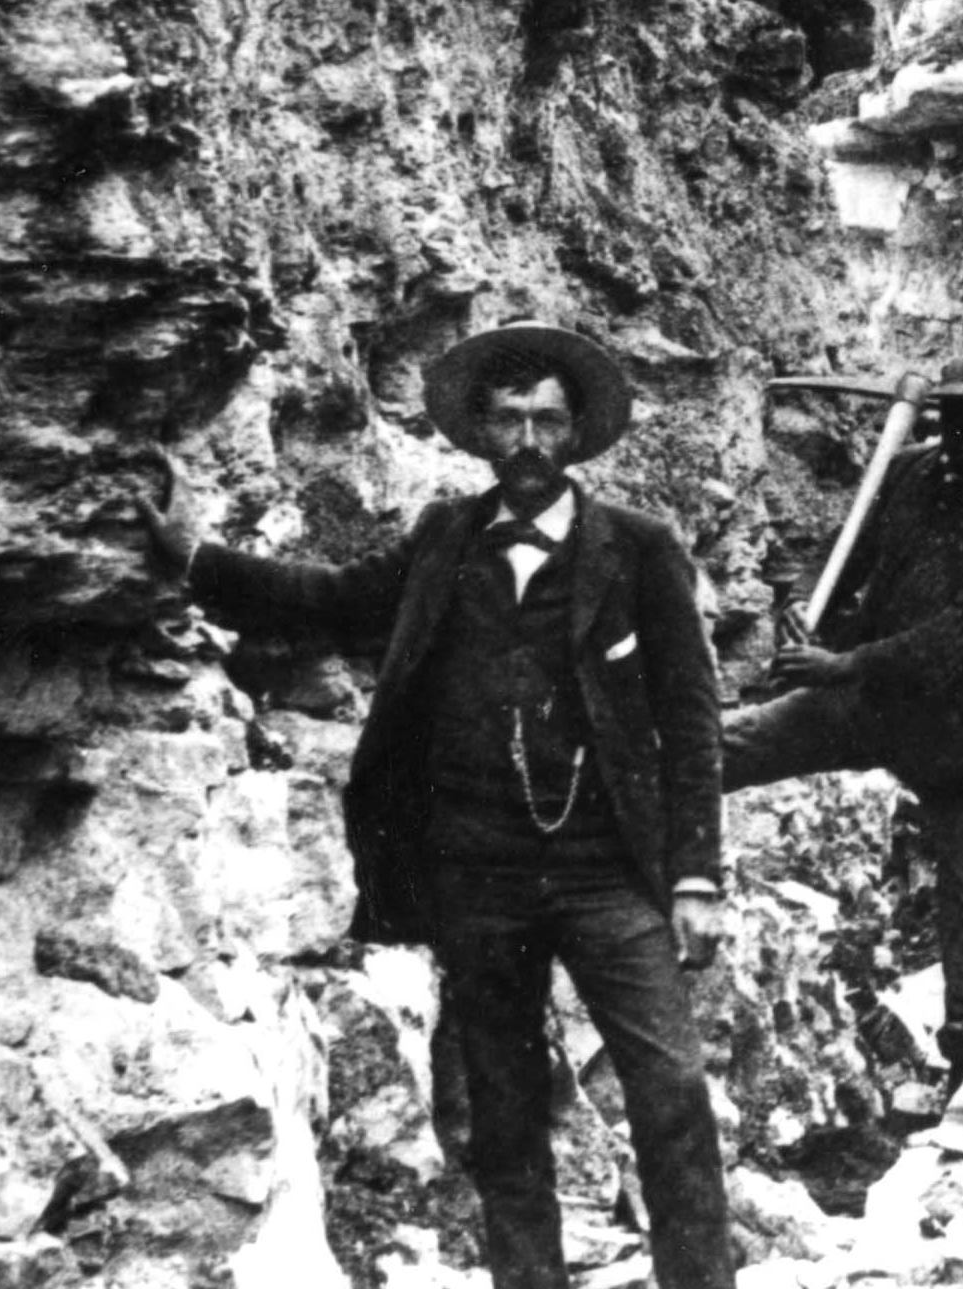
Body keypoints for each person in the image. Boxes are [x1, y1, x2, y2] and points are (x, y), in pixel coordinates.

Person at [143, 323, 733, 1289]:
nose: (530, 440)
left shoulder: (639, 547)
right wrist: (193, 556)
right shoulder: (444, 537)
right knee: (504, 1113)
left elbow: (693, 717)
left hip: (608, 871)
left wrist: (697, 874)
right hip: (477, 874)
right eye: (509, 419)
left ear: (577, 430)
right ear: (481, 431)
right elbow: (333, 600)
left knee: (671, 1088)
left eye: (548, 419)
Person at [725, 361, 963, 1147]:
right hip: (864, 699)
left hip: (951, 730)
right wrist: (811, 610)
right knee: (723, 748)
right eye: (953, 415)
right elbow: (854, 554)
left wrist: (846, 662)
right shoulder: (908, 471)